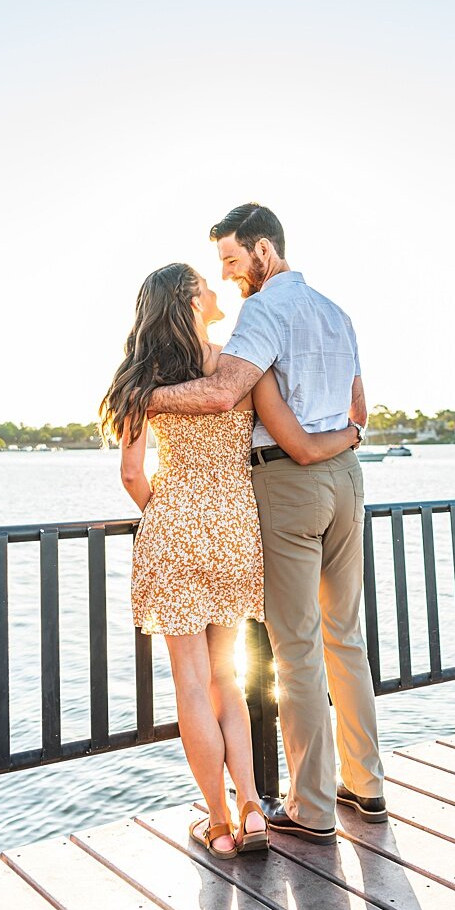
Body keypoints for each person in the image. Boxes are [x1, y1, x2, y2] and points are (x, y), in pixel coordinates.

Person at [146, 203, 384, 844]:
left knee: (297, 648)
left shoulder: (265, 310)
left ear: (263, 252)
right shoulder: (337, 312)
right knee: (346, 637)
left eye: (231, 260)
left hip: (288, 480)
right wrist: (348, 438)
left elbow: (224, 393)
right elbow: (361, 405)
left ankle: (311, 809)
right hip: (347, 481)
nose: (226, 276)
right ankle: (368, 785)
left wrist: (141, 397)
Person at [99, 262, 353, 857]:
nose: (216, 290)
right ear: (190, 301)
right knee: (227, 678)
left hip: (176, 530)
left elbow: (133, 474)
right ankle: (252, 807)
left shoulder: (139, 382)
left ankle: (217, 825)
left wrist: (172, 511)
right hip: (236, 531)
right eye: (205, 285)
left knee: (190, 680)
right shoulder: (237, 367)